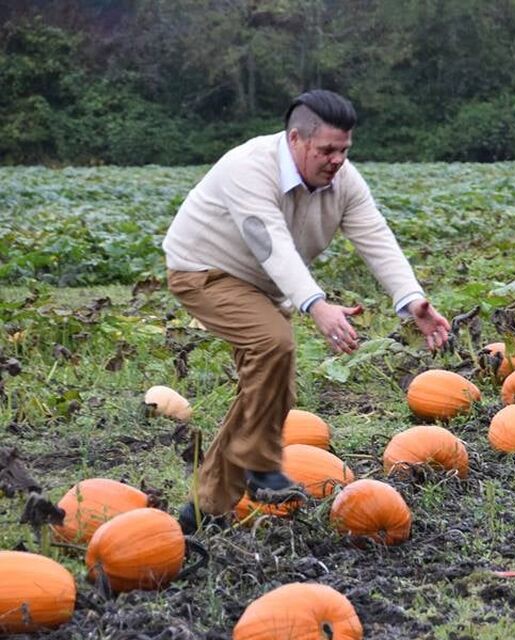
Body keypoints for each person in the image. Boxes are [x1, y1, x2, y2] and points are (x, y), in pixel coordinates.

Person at [162, 89, 451, 533]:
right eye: (327, 150)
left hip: (262, 285)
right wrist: (316, 304)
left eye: (344, 150)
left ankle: (203, 511)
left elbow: (374, 234)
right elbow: (268, 241)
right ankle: (260, 467)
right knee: (272, 344)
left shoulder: (344, 181)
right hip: (204, 270)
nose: (337, 160)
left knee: (275, 393)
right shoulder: (249, 167)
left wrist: (412, 300)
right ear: (295, 139)